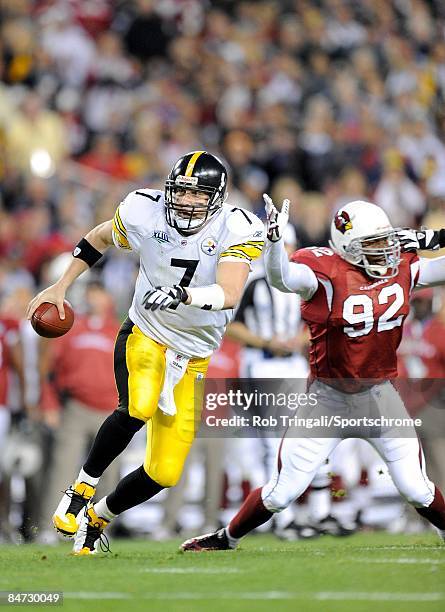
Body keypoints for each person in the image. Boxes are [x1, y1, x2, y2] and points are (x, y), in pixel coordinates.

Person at [26, 151, 264, 554]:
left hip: (193, 357)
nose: (187, 202)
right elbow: (99, 237)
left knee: (164, 471)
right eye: (182, 191)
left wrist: (182, 294)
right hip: (146, 333)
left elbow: (229, 293)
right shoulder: (144, 211)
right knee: (139, 404)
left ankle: (96, 517)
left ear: (218, 198)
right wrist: (62, 284)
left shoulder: (236, 227)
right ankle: (80, 488)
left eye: (198, 195)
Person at [181, 196, 445, 551]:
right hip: (328, 399)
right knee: (280, 493)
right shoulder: (323, 271)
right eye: (374, 244)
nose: (385, 251)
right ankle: (225, 538)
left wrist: (434, 237)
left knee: (417, 488)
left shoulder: (403, 267)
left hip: (380, 395)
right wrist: (274, 245)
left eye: (387, 240)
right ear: (348, 247)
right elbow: (281, 277)